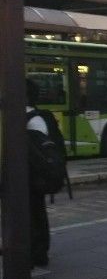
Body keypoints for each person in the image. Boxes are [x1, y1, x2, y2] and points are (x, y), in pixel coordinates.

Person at [26, 79, 51, 268]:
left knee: (35, 214)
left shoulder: (33, 119)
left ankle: (37, 253)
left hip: (31, 178)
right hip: (31, 178)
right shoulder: (35, 119)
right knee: (35, 214)